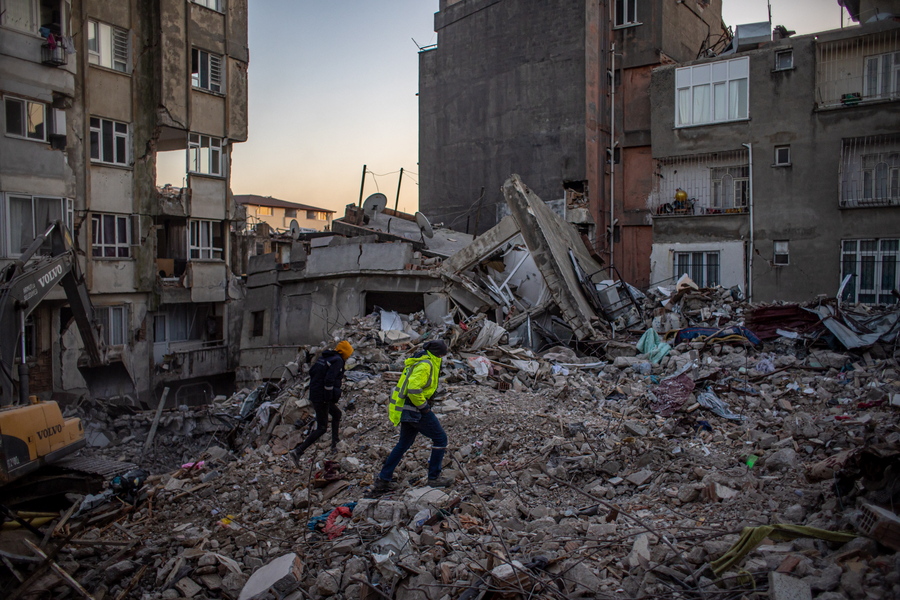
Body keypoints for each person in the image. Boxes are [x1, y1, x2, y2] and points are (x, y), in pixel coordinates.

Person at [373, 339, 452, 492]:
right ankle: (434, 477)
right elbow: (413, 389)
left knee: (403, 444)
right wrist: (424, 408)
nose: (443, 358)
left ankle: (383, 479)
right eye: (442, 355)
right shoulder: (425, 365)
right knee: (440, 438)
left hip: (408, 410)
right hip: (416, 410)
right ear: (438, 354)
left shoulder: (422, 361)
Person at [289, 340, 354, 466]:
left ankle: (335, 443)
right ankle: (298, 451)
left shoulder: (325, 357)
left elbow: (313, 372)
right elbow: (329, 380)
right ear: (345, 352)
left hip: (315, 394)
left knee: (336, 414)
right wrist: (329, 397)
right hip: (322, 397)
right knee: (322, 428)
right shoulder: (338, 361)